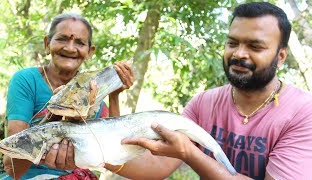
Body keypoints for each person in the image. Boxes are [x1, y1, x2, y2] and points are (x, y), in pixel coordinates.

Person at [104, 2, 312, 179]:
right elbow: (156, 167)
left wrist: (190, 154)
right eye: (232, 43)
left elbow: (186, 153)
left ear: (281, 56)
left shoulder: (303, 112)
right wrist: (97, 152)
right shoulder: (204, 103)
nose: (239, 54)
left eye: (255, 47)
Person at [3, 13, 134, 179]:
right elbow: (12, 167)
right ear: (47, 44)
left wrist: (113, 95)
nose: (70, 48)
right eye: (62, 39)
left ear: (90, 52)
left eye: (79, 43)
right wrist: (57, 111)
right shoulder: (27, 80)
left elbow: (112, 153)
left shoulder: (93, 90)